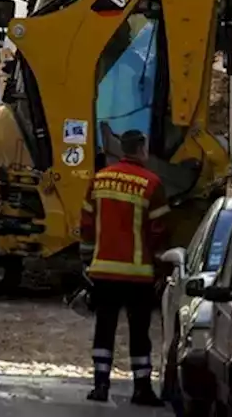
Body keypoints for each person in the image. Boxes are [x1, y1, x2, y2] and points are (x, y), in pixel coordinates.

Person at [79, 129, 168, 406]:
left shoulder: (100, 179)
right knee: (139, 331)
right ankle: (141, 388)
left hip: (103, 271)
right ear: (141, 149)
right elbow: (160, 230)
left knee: (104, 327)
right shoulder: (151, 183)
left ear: (121, 149)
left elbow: (86, 224)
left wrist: (89, 258)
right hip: (137, 274)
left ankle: (101, 385)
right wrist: (160, 265)